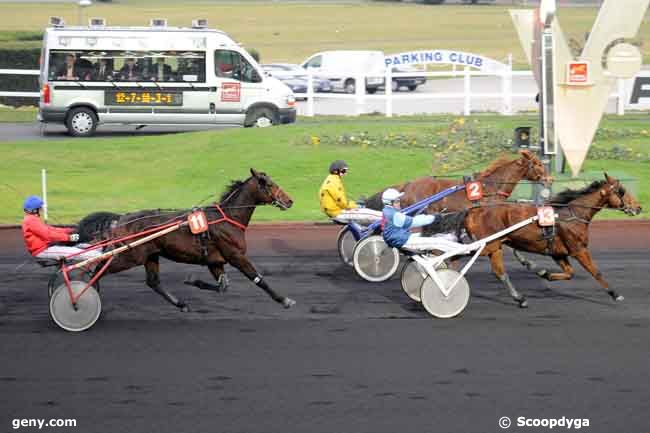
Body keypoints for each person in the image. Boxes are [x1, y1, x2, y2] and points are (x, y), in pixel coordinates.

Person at [21, 196, 101, 262]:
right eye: (40, 208)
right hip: (43, 250)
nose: (41, 209)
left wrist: (69, 230)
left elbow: (51, 229)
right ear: (34, 210)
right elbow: (48, 234)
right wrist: (69, 237)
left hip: (47, 247)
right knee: (89, 254)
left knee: (89, 247)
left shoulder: (31, 219)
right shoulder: (31, 220)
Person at [381, 188, 459, 251]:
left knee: (431, 237)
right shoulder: (394, 214)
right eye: (397, 201)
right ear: (390, 203)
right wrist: (434, 218)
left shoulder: (388, 211)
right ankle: (465, 249)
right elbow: (414, 222)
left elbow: (411, 220)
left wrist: (426, 216)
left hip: (399, 238)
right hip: (401, 240)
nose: (399, 203)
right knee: (439, 242)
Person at [319, 160, 382, 226]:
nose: (345, 173)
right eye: (343, 171)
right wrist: (356, 206)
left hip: (336, 211)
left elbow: (342, 202)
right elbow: (342, 203)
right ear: (335, 171)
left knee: (370, 214)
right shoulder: (333, 182)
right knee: (379, 216)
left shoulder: (331, 180)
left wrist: (354, 204)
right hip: (338, 213)